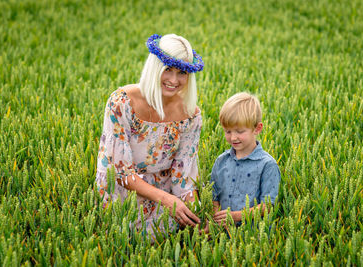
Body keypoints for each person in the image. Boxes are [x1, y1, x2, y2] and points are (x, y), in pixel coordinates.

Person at [95, 34, 204, 238]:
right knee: (122, 240)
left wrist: (195, 215)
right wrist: (167, 200)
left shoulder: (191, 115)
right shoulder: (121, 102)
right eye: (167, 69)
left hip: (164, 190)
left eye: (182, 72)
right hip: (121, 191)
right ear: (155, 67)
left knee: (174, 237)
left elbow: (183, 174)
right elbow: (121, 173)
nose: (173, 80)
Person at [210, 92, 281, 226]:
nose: (233, 138)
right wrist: (217, 220)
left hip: (254, 235)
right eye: (228, 131)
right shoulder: (221, 161)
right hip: (222, 234)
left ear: (257, 128)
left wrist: (235, 216)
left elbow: (268, 205)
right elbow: (214, 196)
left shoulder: (267, 165)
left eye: (240, 131)